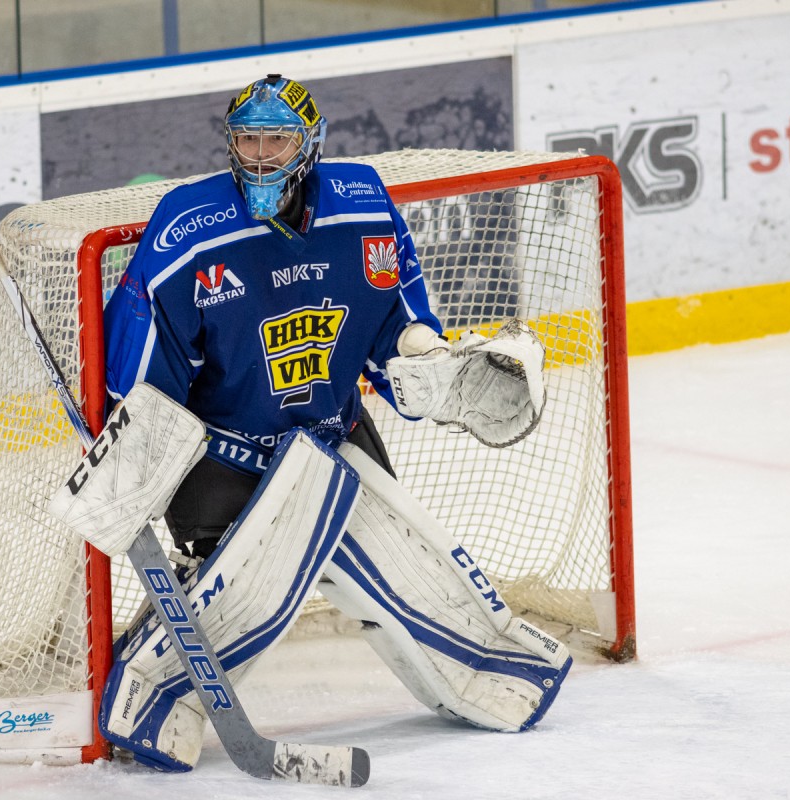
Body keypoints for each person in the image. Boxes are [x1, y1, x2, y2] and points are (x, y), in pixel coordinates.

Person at [55, 74, 571, 774]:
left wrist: (429, 361)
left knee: (431, 591)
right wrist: (134, 451)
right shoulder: (189, 227)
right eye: (247, 139)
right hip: (227, 463)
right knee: (239, 609)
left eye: (277, 139)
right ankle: (151, 696)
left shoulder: (364, 206)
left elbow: (397, 329)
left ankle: (494, 672)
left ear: (311, 143)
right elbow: (146, 368)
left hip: (334, 442)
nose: (260, 155)